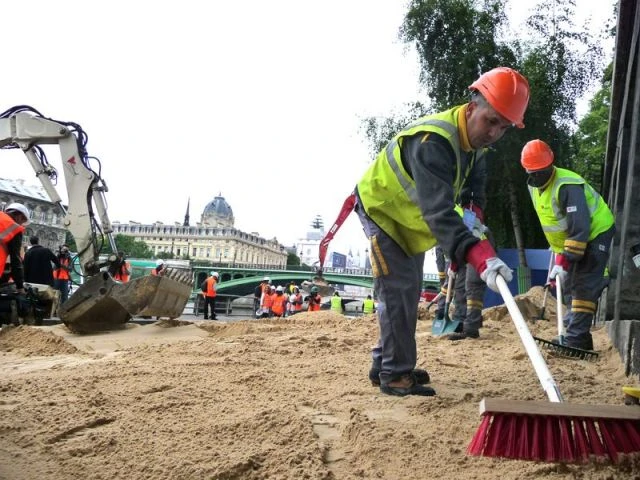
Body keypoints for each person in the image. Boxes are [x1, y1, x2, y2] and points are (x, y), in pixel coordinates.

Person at [354, 67, 528, 396]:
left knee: (407, 288)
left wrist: (474, 215)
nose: (493, 133)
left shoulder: (473, 144)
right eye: (490, 121)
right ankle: (394, 374)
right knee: (398, 290)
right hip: (381, 209)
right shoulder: (432, 141)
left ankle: (387, 362)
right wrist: (478, 254)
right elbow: (438, 212)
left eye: (503, 128)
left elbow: (474, 188)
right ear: (472, 105)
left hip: (407, 218)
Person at [520, 139, 615, 351]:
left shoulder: (567, 185)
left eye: (540, 171)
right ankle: (579, 336)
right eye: (531, 172)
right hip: (569, 242)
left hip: (595, 233)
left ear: (550, 165)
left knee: (583, 285)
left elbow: (579, 227)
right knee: (571, 285)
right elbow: (555, 224)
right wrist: (558, 257)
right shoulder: (534, 188)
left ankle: (575, 338)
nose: (536, 176)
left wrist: (564, 262)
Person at [0, 203, 30, 296]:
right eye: (22, 221)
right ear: (19, 217)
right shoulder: (14, 227)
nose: (21, 225)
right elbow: (15, 259)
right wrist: (20, 286)